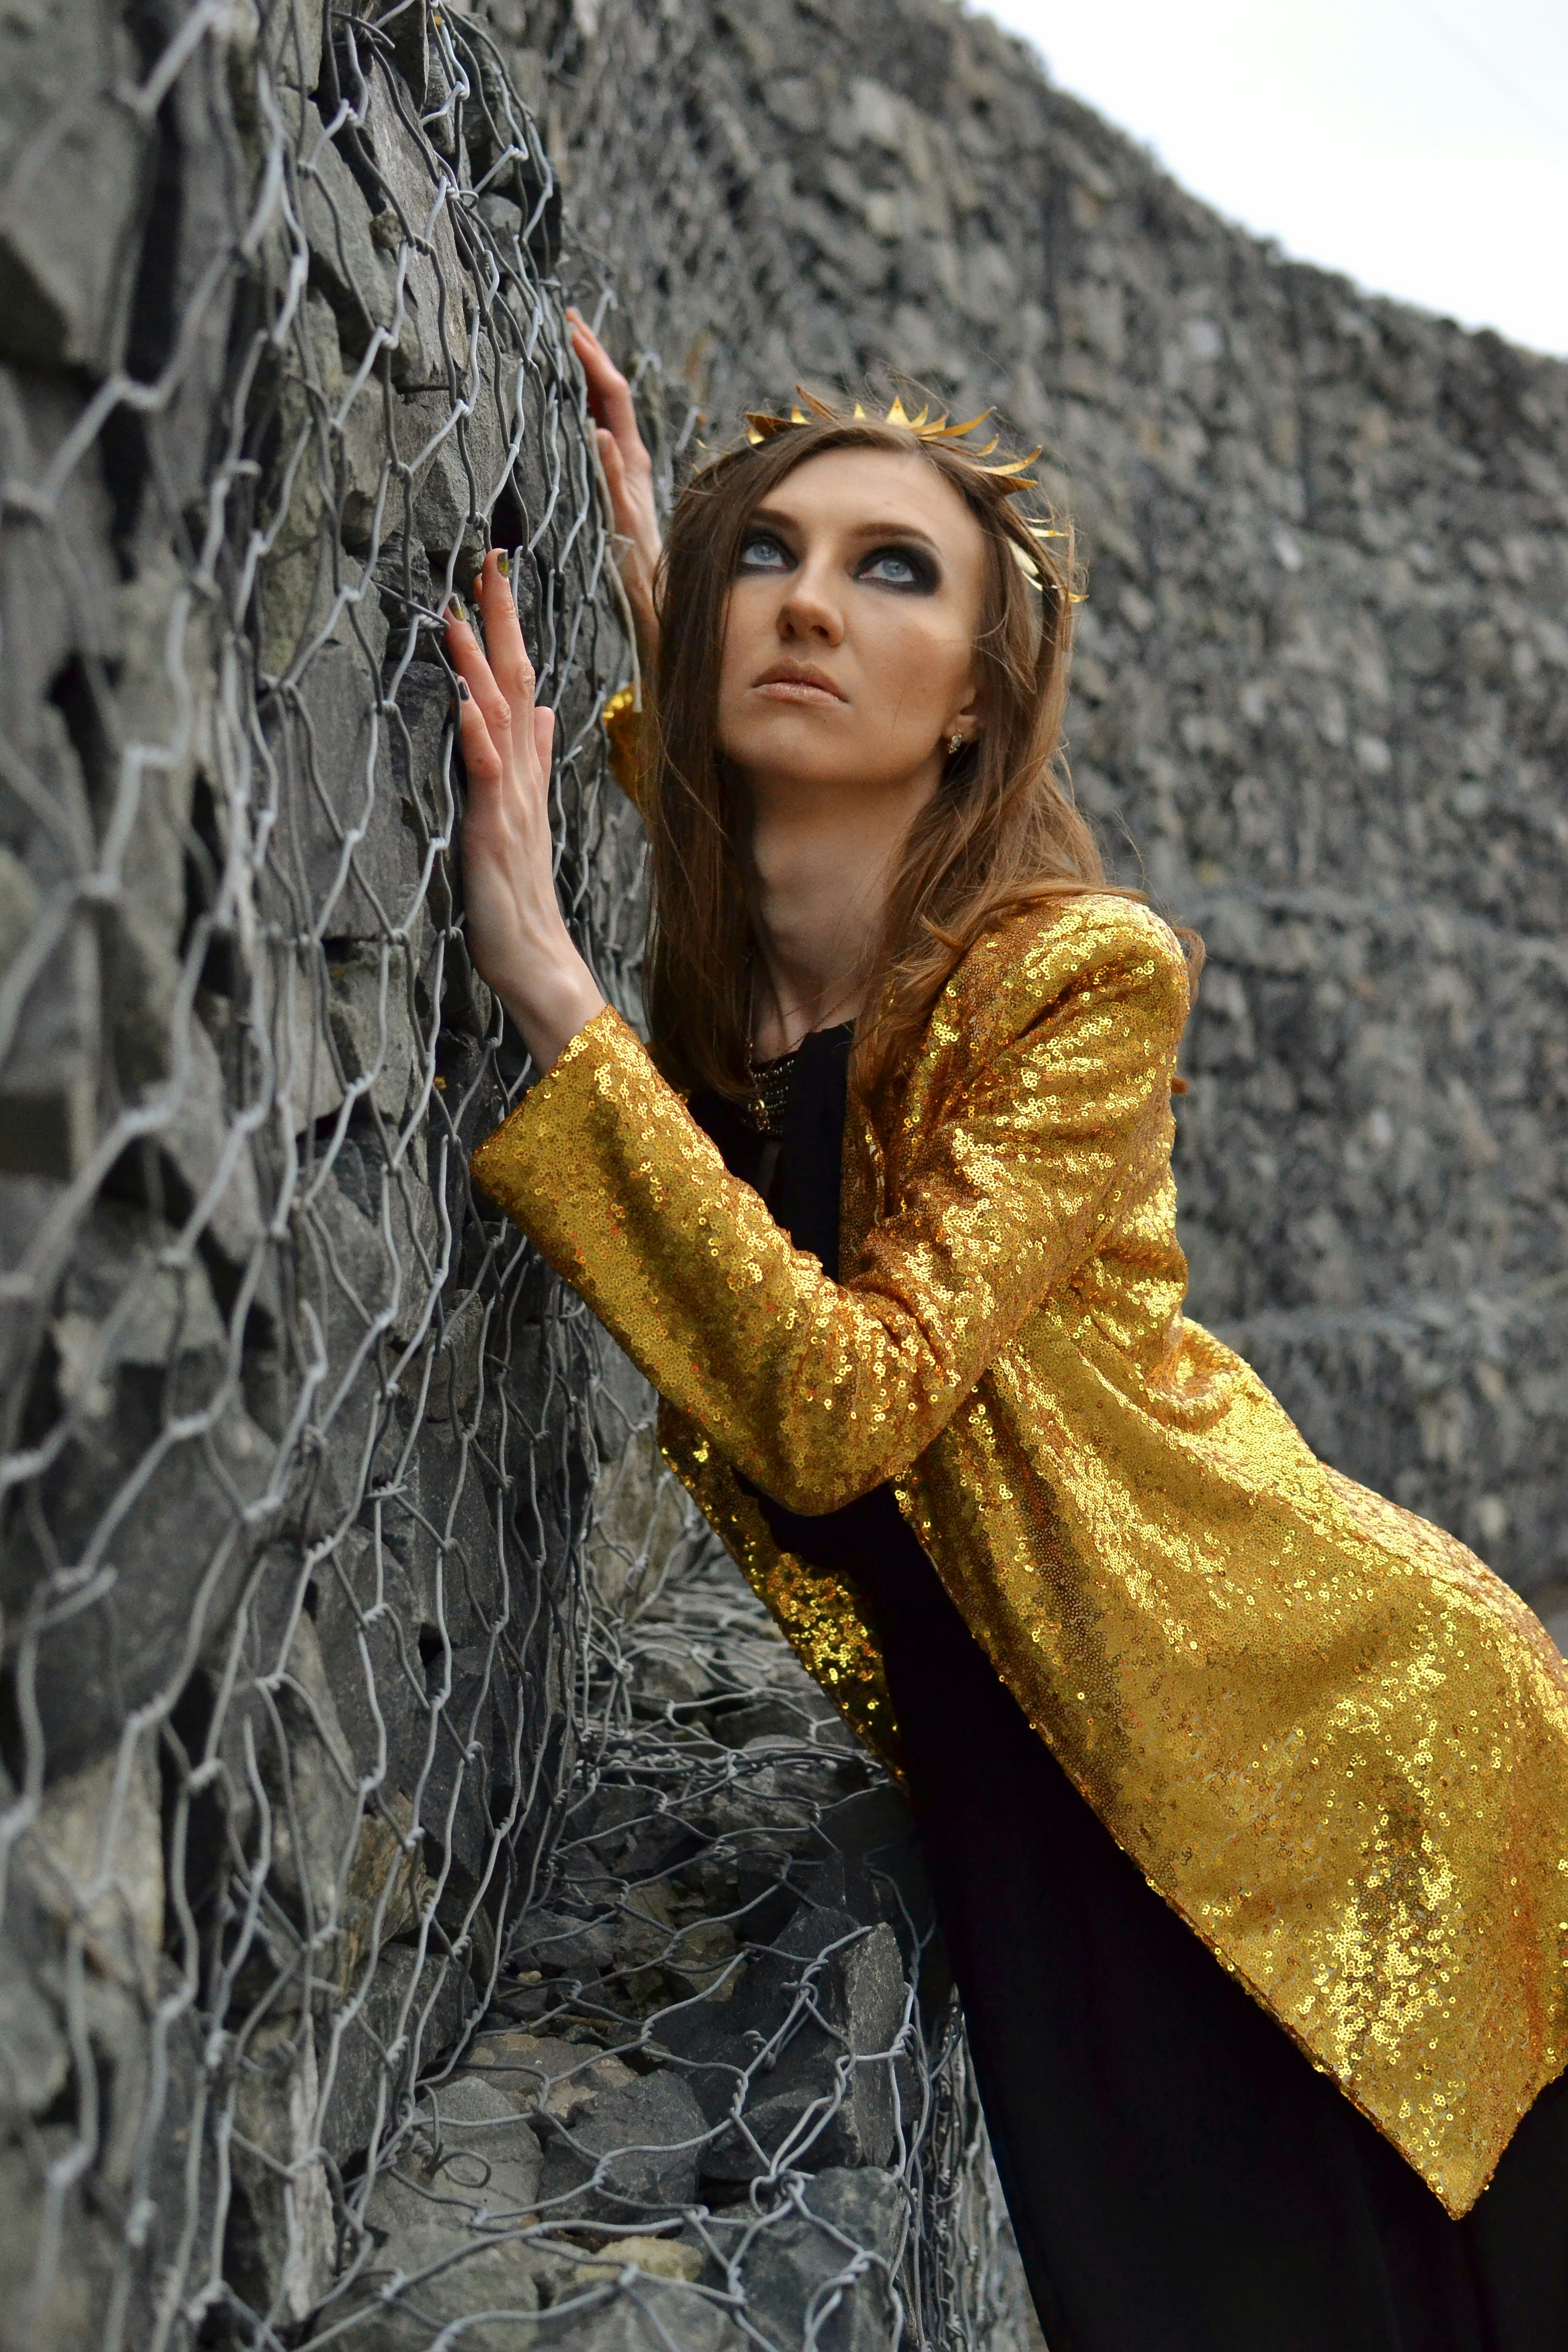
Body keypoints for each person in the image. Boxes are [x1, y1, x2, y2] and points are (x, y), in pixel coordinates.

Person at [443, 311, 1568, 2351]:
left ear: (976, 696)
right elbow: (769, 989)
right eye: (769, 556)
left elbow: (842, 1398)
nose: (811, 602)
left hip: (1327, 1768)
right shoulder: (744, 1013)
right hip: (1048, 1802)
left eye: (896, 574)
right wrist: (668, 635)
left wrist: (547, 988)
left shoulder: (1076, 983)